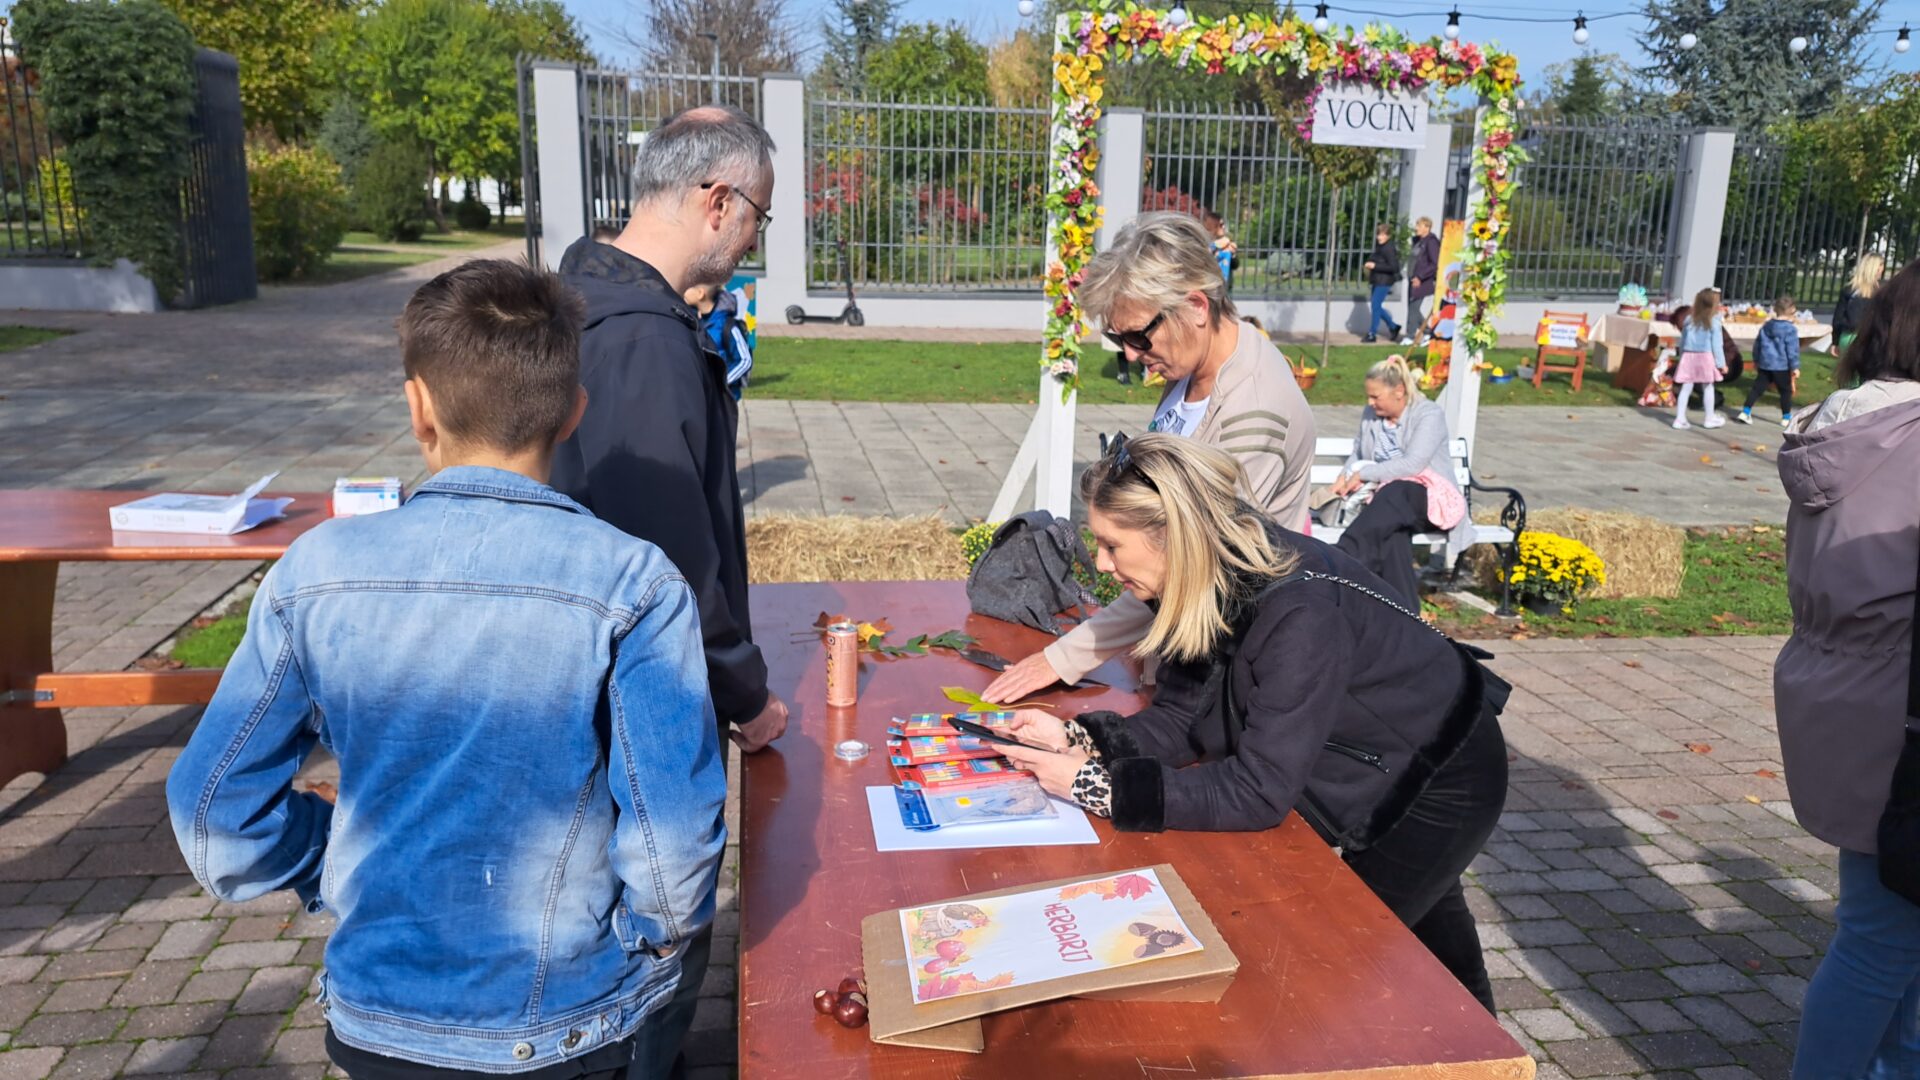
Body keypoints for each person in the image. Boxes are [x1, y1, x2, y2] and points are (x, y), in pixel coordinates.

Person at [165, 260, 728, 1080]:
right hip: (564, 1028)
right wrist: (634, 945)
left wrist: (328, 859)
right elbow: (674, 854)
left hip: (378, 1021)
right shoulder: (635, 582)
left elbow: (213, 814)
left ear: (418, 406)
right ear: (574, 410)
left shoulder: (313, 571)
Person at [994, 434, 1510, 1013]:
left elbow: (1259, 790)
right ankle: (1494, 1049)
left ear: (1173, 535)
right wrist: (1078, 737)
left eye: (1112, 545)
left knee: (1340, 954)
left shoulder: (1300, 616)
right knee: (1437, 946)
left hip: (1439, 776)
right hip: (1375, 749)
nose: (1102, 563)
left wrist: (1099, 787)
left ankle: (1467, 1048)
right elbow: (1181, 717)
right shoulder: (1199, 577)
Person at [547, 104, 785, 1077]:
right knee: (659, 930)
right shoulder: (642, 341)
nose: (754, 240)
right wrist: (745, 690)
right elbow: (671, 559)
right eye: (758, 216)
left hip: (589, 676)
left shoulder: (588, 294)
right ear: (717, 200)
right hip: (642, 691)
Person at [983, 212, 1316, 704]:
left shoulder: (1256, 409)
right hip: (1175, 639)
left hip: (1224, 665)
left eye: (1139, 337)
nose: (1132, 355)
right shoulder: (1194, 367)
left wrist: (1064, 657)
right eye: (1120, 340)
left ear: (1196, 306)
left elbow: (1192, 557)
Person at [1775, 258, 1920, 1080]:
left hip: (1846, 693)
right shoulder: (1908, 437)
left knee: (1889, 934)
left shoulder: (1853, 424)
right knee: (1882, 941)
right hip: (1898, 712)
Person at [1325, 356, 1472, 607]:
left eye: (1375, 397)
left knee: (1398, 489)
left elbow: (1412, 465)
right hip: (1384, 506)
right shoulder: (1371, 415)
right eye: (1368, 397)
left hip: (1429, 499)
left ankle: (1342, 558)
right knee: (1393, 537)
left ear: (1399, 391)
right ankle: (1406, 613)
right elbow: (1358, 452)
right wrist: (1344, 475)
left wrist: (1363, 474)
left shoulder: (1428, 414)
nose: (1370, 403)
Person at [684, 282, 754, 400]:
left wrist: (721, 383)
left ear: (700, 293)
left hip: (723, 398)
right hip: (702, 395)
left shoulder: (726, 325)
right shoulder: (694, 320)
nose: (684, 291)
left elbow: (745, 360)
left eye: (689, 287)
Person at [1671, 287, 1727, 430]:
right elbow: (1717, 345)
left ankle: (1679, 418)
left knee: (1686, 387)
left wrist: (1681, 355)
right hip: (1705, 357)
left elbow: (1683, 341)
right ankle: (1709, 418)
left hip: (1688, 356)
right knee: (1708, 387)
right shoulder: (1714, 322)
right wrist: (1721, 363)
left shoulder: (1689, 320)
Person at [1739, 295, 1800, 426]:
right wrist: (1794, 366)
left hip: (1765, 363)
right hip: (1782, 365)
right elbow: (1792, 350)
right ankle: (1786, 417)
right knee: (1785, 391)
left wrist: (1756, 360)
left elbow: (1757, 345)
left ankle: (1746, 411)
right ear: (1792, 310)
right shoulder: (1790, 329)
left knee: (1757, 388)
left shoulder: (1766, 326)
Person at [1831, 252, 1884, 356]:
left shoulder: (1849, 290)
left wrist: (1835, 341)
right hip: (1870, 339)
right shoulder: (1880, 293)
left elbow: (1837, 319)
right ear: (1877, 268)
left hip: (1847, 336)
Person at [1363, 222, 1403, 344]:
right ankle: (1393, 326)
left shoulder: (1389, 248)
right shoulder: (1380, 246)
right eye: (1378, 234)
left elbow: (1394, 267)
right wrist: (1370, 263)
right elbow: (1376, 258)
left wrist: (1375, 266)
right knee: (1376, 306)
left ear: (1388, 236)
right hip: (1377, 279)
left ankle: (1372, 333)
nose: (1379, 237)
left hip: (1384, 281)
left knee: (1375, 305)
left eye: (1382, 235)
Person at [1406, 217, 1441, 345]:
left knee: (1413, 307)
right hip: (1413, 278)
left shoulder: (1431, 242)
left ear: (1427, 228)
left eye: (1419, 226)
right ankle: (1428, 332)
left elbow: (1434, 263)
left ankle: (1410, 336)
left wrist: (1420, 276)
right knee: (1412, 308)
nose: (1416, 228)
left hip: (1422, 280)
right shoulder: (1418, 241)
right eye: (1417, 225)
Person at [1202, 207, 1237, 289]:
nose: (1223, 227)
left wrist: (1233, 255)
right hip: (1209, 285)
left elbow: (1235, 265)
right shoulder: (1204, 243)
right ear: (1212, 226)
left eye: (1223, 224)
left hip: (1225, 286)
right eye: (1220, 225)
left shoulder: (1228, 243)